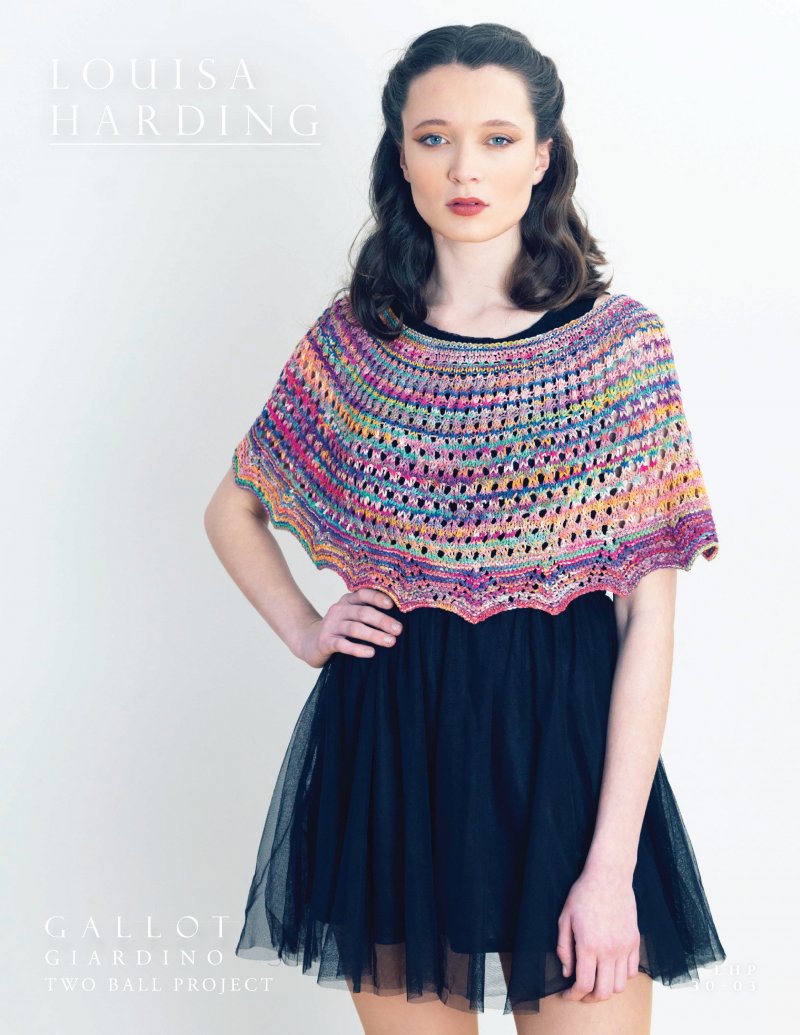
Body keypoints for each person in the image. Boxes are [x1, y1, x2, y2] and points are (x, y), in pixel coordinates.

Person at [204, 23, 726, 1035]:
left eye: (496, 139)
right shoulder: (356, 342)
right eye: (434, 138)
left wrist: (611, 865)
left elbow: (647, 621)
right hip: (391, 749)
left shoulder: (619, 347)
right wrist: (305, 629)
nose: (464, 168)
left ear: (541, 157)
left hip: (568, 760)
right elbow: (234, 507)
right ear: (401, 158)